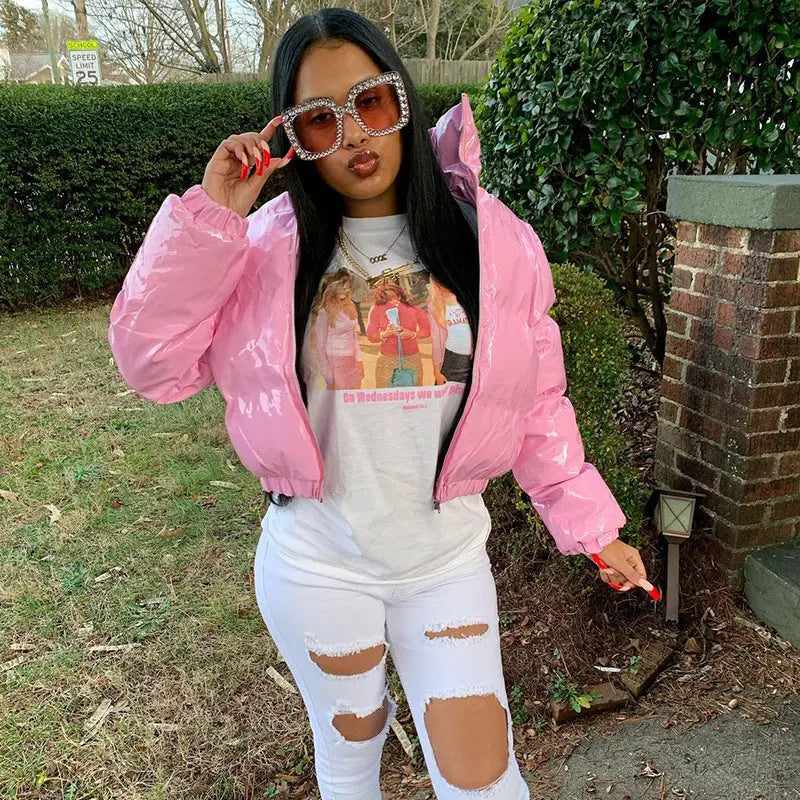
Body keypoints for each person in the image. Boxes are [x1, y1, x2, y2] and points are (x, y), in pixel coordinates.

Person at [107, 8, 651, 799]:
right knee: (351, 759)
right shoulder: (260, 249)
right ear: (292, 138)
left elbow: (534, 400)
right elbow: (152, 364)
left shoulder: (491, 242)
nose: (354, 135)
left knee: (483, 777)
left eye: (370, 101)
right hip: (316, 567)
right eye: (319, 119)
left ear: (403, 99)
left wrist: (592, 526)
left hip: (446, 564)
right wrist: (214, 216)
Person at [311, 268, 365, 390]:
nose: (346, 300)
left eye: (348, 294)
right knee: (343, 398)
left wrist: (359, 360)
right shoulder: (325, 312)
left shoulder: (350, 305)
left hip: (352, 359)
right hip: (336, 361)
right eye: (341, 298)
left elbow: (353, 336)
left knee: (356, 394)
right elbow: (320, 347)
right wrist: (328, 376)